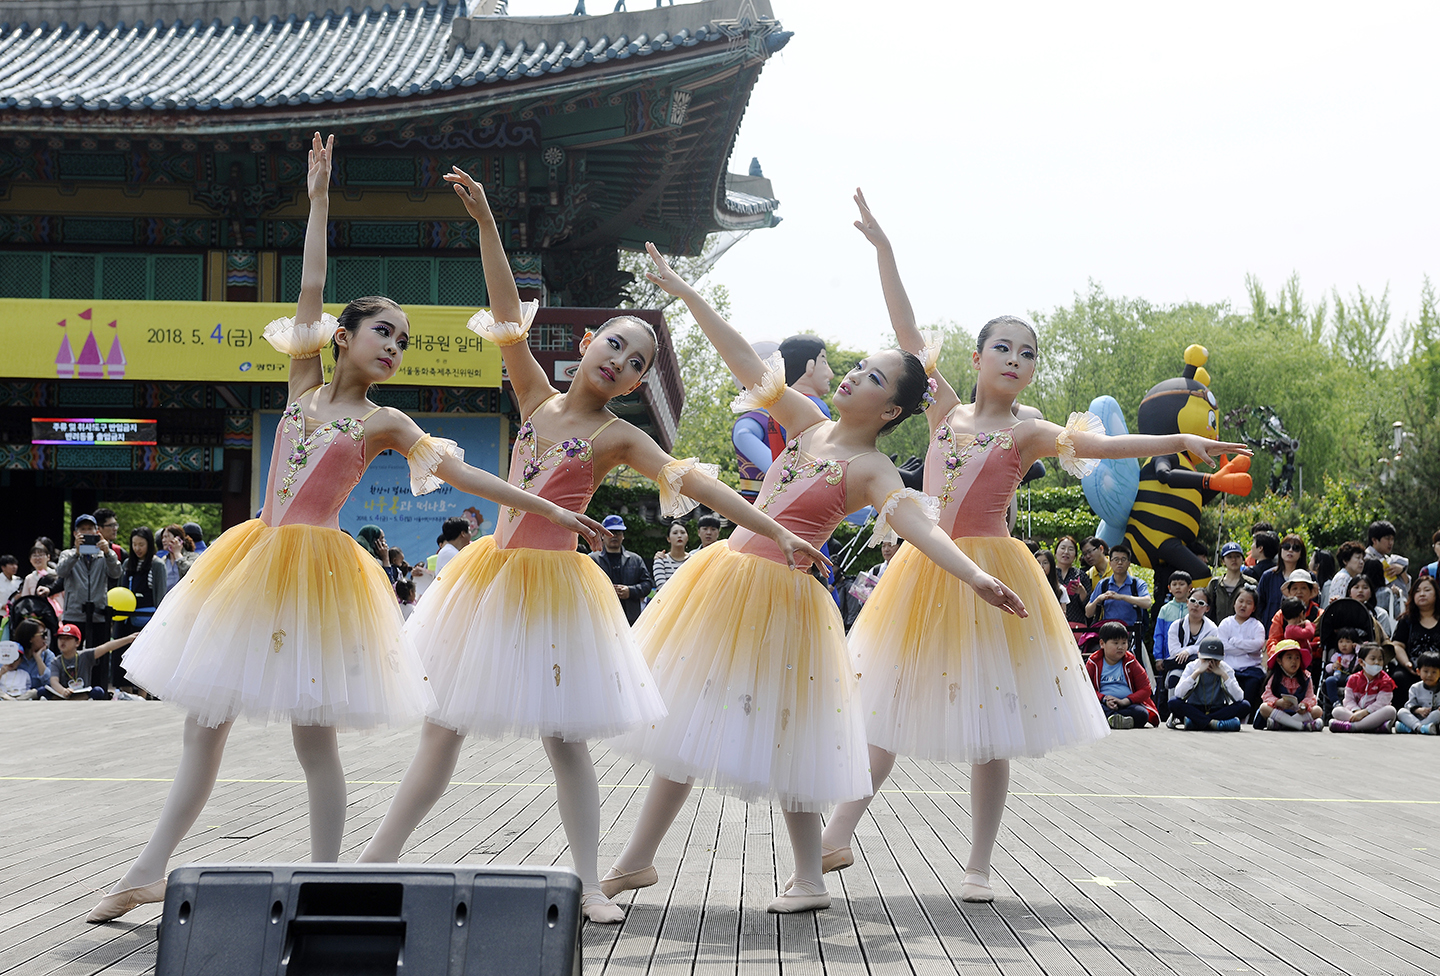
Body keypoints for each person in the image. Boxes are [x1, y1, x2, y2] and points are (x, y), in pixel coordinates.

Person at [90, 134, 608, 925]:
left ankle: (326, 880)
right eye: (384, 333)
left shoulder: (386, 421)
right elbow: (312, 280)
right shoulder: (301, 379)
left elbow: (466, 476)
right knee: (204, 727)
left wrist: (548, 507)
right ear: (345, 336)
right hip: (250, 563)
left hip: (318, 579)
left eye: (403, 341)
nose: (395, 347)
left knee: (314, 740)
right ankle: (143, 871)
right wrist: (320, 197)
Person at [357, 164, 829, 925]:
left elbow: (701, 487)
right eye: (616, 343)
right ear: (587, 340)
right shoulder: (535, 396)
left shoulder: (619, 438)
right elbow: (507, 313)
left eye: (638, 360)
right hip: (486, 582)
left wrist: (772, 527)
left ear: (638, 382)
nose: (622, 360)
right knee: (440, 731)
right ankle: (375, 863)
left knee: (564, 740)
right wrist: (486, 228)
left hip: (556, 589)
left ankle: (588, 882)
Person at [806, 191, 1245, 906]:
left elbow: (1105, 444)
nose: (1015, 358)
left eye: (1028, 353)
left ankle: (977, 866)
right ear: (977, 357)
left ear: (1034, 372)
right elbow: (906, 329)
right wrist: (884, 249)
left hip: (993, 568)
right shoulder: (942, 408)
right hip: (926, 567)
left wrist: (1178, 439)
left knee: (992, 728)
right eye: (1003, 347)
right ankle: (838, 833)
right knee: (882, 705)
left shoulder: (1031, 431)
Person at [600, 239, 1027, 916]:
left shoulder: (872, 469)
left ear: (892, 413)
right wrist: (686, 295)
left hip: (782, 599)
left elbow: (922, 529)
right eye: (859, 367)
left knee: (785, 736)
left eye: (875, 379)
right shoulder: (806, 421)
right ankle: (638, 861)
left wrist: (976, 575)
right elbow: (742, 358)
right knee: (683, 720)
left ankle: (805, 878)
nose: (855, 376)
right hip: (725, 579)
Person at [55, 514, 123, 687]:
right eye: (82, 530)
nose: (86, 533)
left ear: (97, 532)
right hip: (74, 613)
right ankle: (69, 688)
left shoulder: (103, 554)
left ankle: (98, 689)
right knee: (71, 655)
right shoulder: (68, 554)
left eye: (90, 529)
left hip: (99, 613)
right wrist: (76, 553)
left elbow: (116, 573)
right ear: (75, 533)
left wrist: (108, 552)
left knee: (99, 654)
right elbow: (61, 572)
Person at [114, 526, 167, 691]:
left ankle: (143, 693)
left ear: (149, 544)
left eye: (141, 544)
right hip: (125, 617)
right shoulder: (127, 563)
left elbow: (160, 594)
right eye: (134, 544)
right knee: (121, 654)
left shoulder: (157, 564)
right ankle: (124, 690)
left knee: (145, 656)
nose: (137, 548)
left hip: (147, 617)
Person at [1158, 585, 1217, 722]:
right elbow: (1174, 652)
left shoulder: (1213, 629)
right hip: (1179, 666)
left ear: (1207, 608)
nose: (1195, 605)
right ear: (1187, 602)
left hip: (1202, 668)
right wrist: (1193, 652)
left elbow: (1207, 652)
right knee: (1174, 677)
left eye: (1201, 603)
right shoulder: (1176, 626)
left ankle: (1195, 715)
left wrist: (1187, 650)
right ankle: (1174, 714)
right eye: (1192, 601)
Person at [1085, 620, 1158, 729]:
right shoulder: (1093, 662)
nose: (1121, 647)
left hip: (1126, 704)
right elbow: (1086, 688)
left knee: (1142, 714)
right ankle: (1115, 719)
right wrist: (1104, 699)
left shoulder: (1131, 661)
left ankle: (1113, 720)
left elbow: (1146, 689)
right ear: (1102, 644)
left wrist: (1125, 701)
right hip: (1104, 703)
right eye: (1116, 643)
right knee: (1093, 710)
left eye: (1124, 643)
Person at [1170, 636, 1250, 731]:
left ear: (1222, 658)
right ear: (1198, 655)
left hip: (1217, 708)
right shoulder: (1192, 666)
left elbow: (1239, 697)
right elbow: (1179, 693)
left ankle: (1198, 723)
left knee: (1245, 705)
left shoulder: (1226, 669)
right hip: (1195, 708)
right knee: (1173, 702)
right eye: (1206, 659)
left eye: (1215, 660)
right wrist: (1196, 673)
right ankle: (1214, 723)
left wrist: (1224, 675)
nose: (1210, 664)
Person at [44, 623, 137, 700]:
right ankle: (71, 700)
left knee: (98, 691)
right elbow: (54, 681)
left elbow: (106, 647)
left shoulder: (85, 656)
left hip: (82, 692)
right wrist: (63, 691)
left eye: (68, 638)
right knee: (42, 691)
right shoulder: (56, 661)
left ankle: (74, 700)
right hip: (63, 693)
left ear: (77, 642)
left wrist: (128, 639)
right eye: (60, 638)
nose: (63, 641)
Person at [589, 514, 650, 625]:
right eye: (610, 532)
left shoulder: (635, 560)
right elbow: (585, 587)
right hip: (601, 618)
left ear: (623, 536)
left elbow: (647, 585)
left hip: (630, 619)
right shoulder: (593, 560)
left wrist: (630, 591)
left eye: (618, 532)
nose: (614, 536)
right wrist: (604, 591)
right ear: (602, 535)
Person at [1217, 586, 1267, 719]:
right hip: (1229, 667)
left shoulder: (1257, 626)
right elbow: (1222, 646)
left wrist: (1234, 641)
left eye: (1249, 603)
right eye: (1241, 601)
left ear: (1254, 607)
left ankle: (1246, 718)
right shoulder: (1226, 623)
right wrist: (1246, 650)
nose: (1243, 605)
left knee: (1253, 684)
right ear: (1234, 603)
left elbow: (1257, 645)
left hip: (1251, 669)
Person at [1085, 542, 1152, 637]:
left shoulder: (1137, 583)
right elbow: (1088, 613)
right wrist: (1099, 599)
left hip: (1132, 634)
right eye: (1116, 559)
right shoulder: (1103, 584)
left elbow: (1147, 603)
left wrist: (1121, 597)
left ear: (1129, 563)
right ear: (1110, 563)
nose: (1120, 563)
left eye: (1123, 559)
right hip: (1108, 635)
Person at [1390, 576, 1438, 706]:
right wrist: (1407, 664)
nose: (1422, 594)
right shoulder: (1406, 620)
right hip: (1412, 667)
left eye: (1427, 590)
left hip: (1437, 669)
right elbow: (1398, 645)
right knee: (1398, 677)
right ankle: (1404, 716)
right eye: (1417, 591)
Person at [1329, 642, 1397, 733]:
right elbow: (1348, 700)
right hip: (1356, 713)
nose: (1377, 662)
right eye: (1373, 659)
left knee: (1390, 710)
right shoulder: (1353, 679)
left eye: (1380, 659)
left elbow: (1382, 703)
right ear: (1361, 662)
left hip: (1374, 713)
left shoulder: (1386, 680)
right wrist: (1356, 711)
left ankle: (1352, 727)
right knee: (1337, 711)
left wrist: (1365, 712)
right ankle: (1373, 727)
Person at [1256, 638, 1321, 731]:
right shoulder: (1275, 677)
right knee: (1264, 708)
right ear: (1279, 661)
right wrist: (1279, 702)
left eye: (1297, 657)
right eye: (1289, 657)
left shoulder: (1305, 677)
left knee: (1317, 710)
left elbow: (1310, 696)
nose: (1294, 661)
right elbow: (1267, 695)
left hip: (1299, 714)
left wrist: (1304, 705)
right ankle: (1299, 725)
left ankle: (1282, 725)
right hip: (1280, 712)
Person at [1256, 534, 1306, 628]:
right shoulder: (1268, 576)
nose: (1290, 550)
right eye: (1286, 547)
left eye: (1296, 548)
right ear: (1280, 550)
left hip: (1301, 631)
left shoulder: (1308, 577)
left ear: (1301, 554)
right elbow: (1259, 605)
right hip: (1271, 631)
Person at [1152, 570, 1194, 675]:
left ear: (1190, 588)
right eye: (1174, 584)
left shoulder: (1194, 607)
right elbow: (1159, 634)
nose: (1178, 587)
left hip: (1190, 656)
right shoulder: (1165, 609)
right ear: (1169, 588)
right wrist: (1158, 657)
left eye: (1181, 584)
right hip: (1168, 656)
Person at [1205, 541, 1256, 624]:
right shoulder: (1215, 584)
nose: (1233, 559)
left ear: (1242, 559)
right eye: (1229, 557)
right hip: (1218, 631)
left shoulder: (1251, 583)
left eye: (1237, 556)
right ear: (1223, 561)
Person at [2, 618, 54, 699]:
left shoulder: (48, 655)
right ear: (30, 638)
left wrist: (38, 659)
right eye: (42, 634)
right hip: (9, 696)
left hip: (37, 698)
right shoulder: (12, 653)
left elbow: (50, 683)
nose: (46, 638)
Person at [1365, 519, 1409, 610]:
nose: (1391, 543)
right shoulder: (1365, 559)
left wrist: (1402, 571)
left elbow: (1407, 586)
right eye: (1387, 538)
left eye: (1392, 539)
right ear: (1374, 540)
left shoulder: (1390, 560)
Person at [1321, 627, 1364, 716]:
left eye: (1348, 642)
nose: (1344, 645)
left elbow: (1361, 660)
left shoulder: (1355, 657)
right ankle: (1335, 702)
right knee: (1329, 680)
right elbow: (1327, 668)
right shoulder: (1335, 655)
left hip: (1350, 676)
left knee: (1352, 679)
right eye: (1341, 642)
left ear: (1354, 643)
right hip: (1337, 676)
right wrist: (1333, 666)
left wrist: (1358, 648)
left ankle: (1353, 700)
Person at [1395, 652, 1440, 734]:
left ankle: (1411, 728)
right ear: (1418, 671)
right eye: (1426, 671)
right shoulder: (1415, 687)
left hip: (1432, 719)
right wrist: (1419, 710)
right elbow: (1409, 705)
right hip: (1416, 717)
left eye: (1434, 672)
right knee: (1401, 712)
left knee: (1437, 714)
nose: (1429, 675)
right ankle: (1421, 728)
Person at [1054, 535, 1092, 635]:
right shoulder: (1049, 573)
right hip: (1053, 623)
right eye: (1062, 548)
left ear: (1075, 555)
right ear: (1055, 552)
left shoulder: (1081, 575)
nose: (1066, 552)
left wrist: (1082, 592)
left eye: (1070, 549)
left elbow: (1088, 608)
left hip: (1076, 626)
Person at [1345, 574, 1396, 642]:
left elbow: (1384, 639)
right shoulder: (1343, 612)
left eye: (1365, 587)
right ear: (1349, 592)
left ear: (1371, 593)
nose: (1360, 591)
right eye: (1356, 587)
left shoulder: (1380, 614)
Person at [1361, 558, 1403, 629]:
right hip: (1384, 628)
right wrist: (1397, 595)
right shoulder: (1387, 593)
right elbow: (1398, 613)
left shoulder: (1361, 592)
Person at [650, 522, 691, 594]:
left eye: (682, 532)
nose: (679, 536)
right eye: (675, 533)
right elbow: (662, 587)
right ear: (668, 539)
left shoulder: (693, 560)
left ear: (687, 537)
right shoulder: (660, 560)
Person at [158, 524, 197, 591]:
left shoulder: (192, 556)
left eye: (166, 537)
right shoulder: (163, 560)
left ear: (177, 538)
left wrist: (177, 554)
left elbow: (191, 574)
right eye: (162, 537)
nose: (163, 540)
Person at [1328, 540, 1367, 605]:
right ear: (1345, 561)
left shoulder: (1348, 577)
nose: (1361, 562)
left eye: (1363, 559)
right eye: (1358, 558)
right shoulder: (1343, 578)